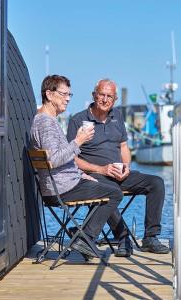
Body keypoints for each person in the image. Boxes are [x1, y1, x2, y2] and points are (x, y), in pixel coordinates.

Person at [67, 79, 169, 256]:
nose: (105, 100)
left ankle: (150, 237)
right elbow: (72, 158)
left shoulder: (118, 116)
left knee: (157, 183)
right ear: (94, 95)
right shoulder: (78, 120)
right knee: (110, 190)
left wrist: (126, 167)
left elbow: (123, 148)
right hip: (94, 174)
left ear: (114, 99)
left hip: (119, 173)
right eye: (102, 95)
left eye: (110, 97)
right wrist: (101, 170)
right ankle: (123, 238)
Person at [29, 75, 125, 259]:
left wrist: (80, 174)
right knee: (114, 193)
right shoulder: (46, 123)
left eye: (69, 95)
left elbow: (58, 159)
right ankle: (86, 238)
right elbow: (55, 159)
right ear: (49, 94)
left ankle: (82, 235)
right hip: (62, 189)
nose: (67, 99)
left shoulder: (44, 120)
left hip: (62, 185)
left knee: (104, 187)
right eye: (64, 94)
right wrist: (78, 141)